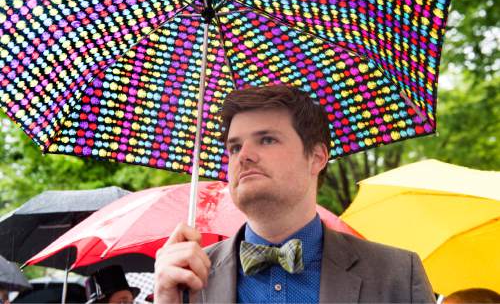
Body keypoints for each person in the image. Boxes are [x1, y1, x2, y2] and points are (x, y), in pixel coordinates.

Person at [153, 85, 436, 303]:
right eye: (235, 147)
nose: (244, 156)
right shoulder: (185, 280)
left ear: (316, 157)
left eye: (267, 139)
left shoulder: (396, 275)